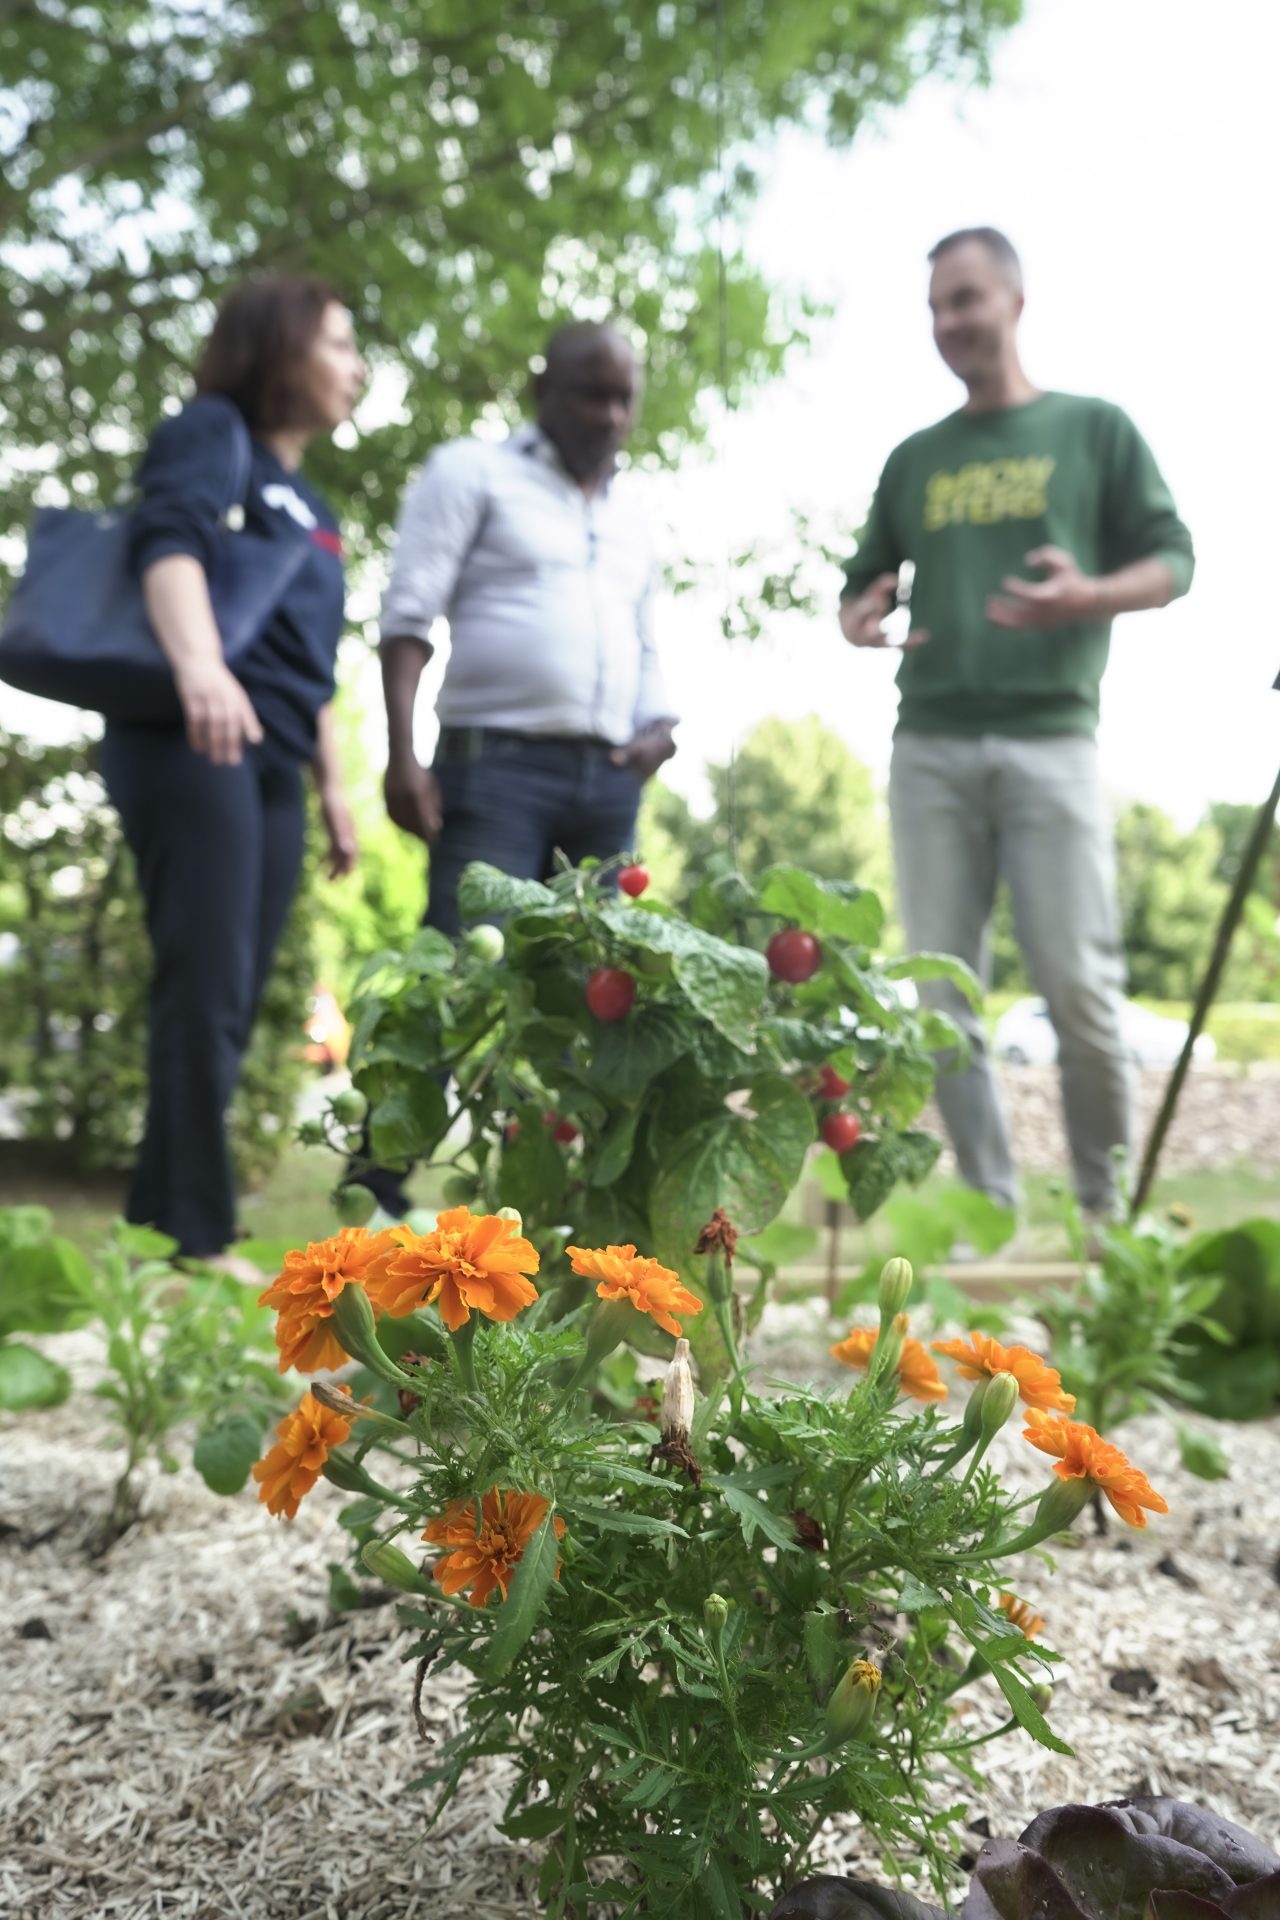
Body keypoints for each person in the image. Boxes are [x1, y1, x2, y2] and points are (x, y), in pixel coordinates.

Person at [839, 228, 1194, 1222]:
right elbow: (860, 581)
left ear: (1013, 300)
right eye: (934, 308)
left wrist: (1088, 593)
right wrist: (858, 616)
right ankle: (991, 1214)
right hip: (930, 749)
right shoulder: (915, 459)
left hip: (1051, 742)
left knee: (1079, 990)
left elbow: (1174, 560)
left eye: (964, 299)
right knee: (940, 999)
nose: (948, 322)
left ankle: (1103, 1220)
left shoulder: (1092, 430)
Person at [353, 322, 676, 1213]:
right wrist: (402, 752)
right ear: (542, 391)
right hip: (493, 769)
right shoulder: (473, 471)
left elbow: (647, 638)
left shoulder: (633, 514)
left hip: (609, 781)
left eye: (624, 398)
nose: (610, 415)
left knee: (597, 992)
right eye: (589, 394)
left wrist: (660, 727)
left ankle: (561, 1209)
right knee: (455, 980)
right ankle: (373, 1198)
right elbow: (410, 611)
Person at [100, 277, 364, 1265]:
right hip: (192, 731)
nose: (355, 368)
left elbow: (312, 661)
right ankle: (196, 1235)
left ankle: (160, 1216)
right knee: (204, 986)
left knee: (234, 991)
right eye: (337, 343)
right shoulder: (214, 435)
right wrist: (202, 667)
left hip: (276, 755)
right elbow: (165, 542)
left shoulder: (318, 506)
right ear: (280, 349)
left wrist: (334, 785)